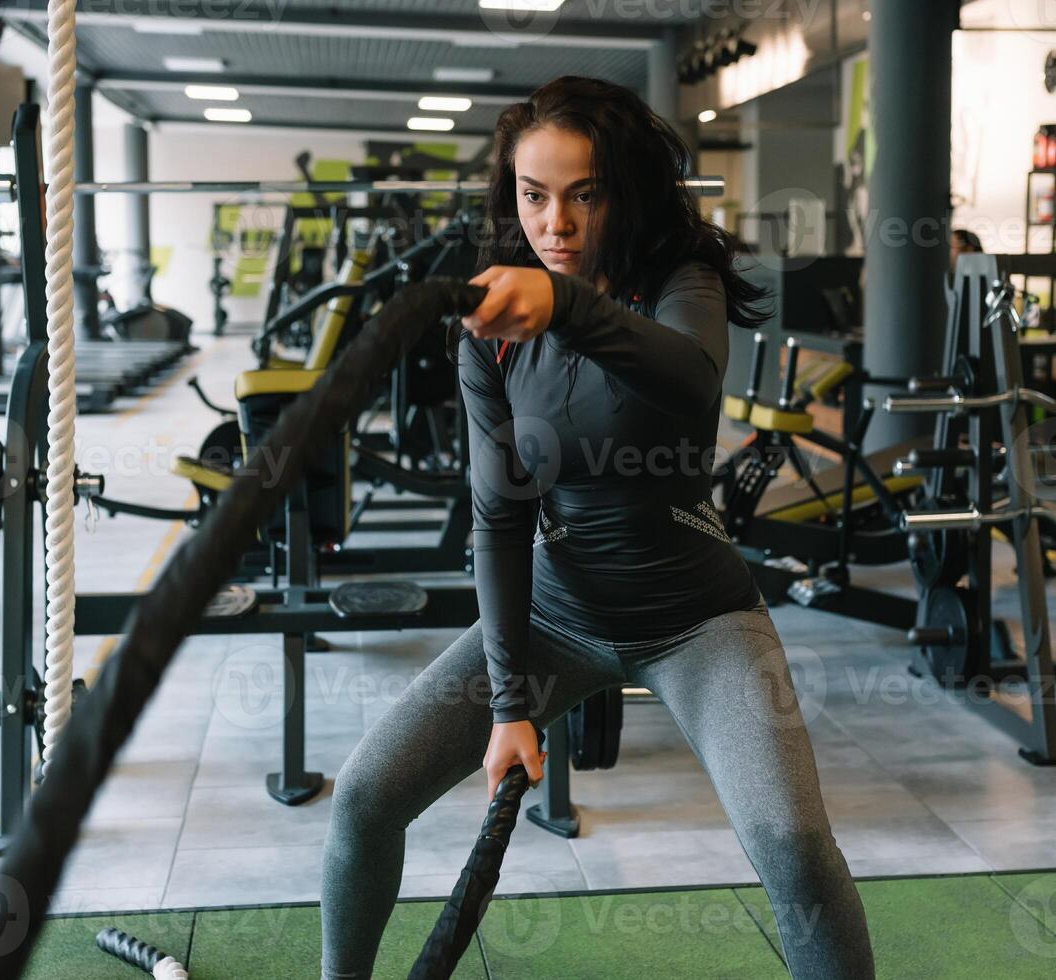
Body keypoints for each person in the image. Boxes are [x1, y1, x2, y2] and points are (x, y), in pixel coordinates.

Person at [320, 75, 875, 979]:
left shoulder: (678, 285)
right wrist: (506, 703)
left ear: (624, 192)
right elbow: (498, 519)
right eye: (534, 197)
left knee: (798, 852)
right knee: (365, 798)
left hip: (700, 623)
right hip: (553, 618)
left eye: (584, 194)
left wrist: (566, 306)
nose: (557, 224)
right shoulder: (491, 332)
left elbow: (693, 384)